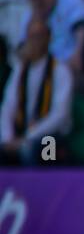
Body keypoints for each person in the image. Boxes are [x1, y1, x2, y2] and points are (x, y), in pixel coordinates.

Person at [0, 19, 72, 165]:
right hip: (21, 133)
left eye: (39, 36)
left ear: (48, 38)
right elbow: (8, 106)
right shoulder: (20, 70)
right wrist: (7, 138)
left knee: (42, 150)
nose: (34, 42)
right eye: (31, 37)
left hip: (51, 136)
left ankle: (43, 186)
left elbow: (60, 115)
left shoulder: (60, 70)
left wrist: (29, 136)